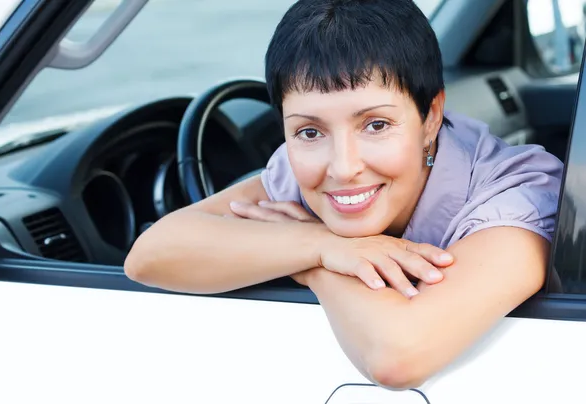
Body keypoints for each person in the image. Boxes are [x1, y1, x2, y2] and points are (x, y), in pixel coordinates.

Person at [124, 0, 563, 389]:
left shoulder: (521, 193)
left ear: (430, 117)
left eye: (376, 125)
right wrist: (321, 245)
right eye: (309, 131)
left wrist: (314, 265)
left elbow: (398, 357)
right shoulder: (299, 173)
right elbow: (148, 256)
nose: (343, 167)